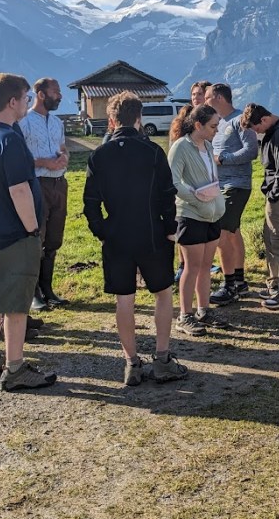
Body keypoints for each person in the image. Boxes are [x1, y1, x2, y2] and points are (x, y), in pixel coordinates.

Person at [83, 92, 188, 385]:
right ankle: (162, 359)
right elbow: (168, 195)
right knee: (163, 294)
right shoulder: (153, 152)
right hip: (152, 233)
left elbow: (90, 203)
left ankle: (131, 362)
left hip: (117, 235)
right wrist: (170, 229)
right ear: (139, 119)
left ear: (111, 120)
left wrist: (102, 231)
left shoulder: (99, 155)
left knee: (124, 300)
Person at [0, 73, 57, 391]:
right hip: (13, 235)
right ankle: (15, 368)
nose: (28, 104)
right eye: (26, 98)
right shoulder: (9, 139)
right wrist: (33, 229)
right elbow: (19, 190)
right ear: (12, 101)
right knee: (16, 305)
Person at [167, 104, 226, 335]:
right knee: (191, 268)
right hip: (191, 214)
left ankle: (203, 310)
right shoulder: (181, 147)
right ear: (198, 125)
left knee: (205, 267)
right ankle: (185, 315)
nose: (216, 130)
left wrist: (215, 201)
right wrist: (196, 198)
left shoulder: (208, 145)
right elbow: (173, 182)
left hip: (212, 214)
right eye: (213, 126)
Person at [240, 103, 279, 310]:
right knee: (271, 239)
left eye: (256, 128)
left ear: (264, 119)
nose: (257, 133)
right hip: (278, 193)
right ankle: (275, 284)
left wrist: (274, 195)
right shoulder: (278, 131)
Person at [17, 77, 70, 311]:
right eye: (55, 92)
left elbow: (63, 147)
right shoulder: (24, 122)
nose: (60, 96)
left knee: (54, 238)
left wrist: (64, 157)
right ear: (41, 94)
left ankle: (48, 288)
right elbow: (19, 157)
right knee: (37, 236)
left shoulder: (57, 122)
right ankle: (33, 293)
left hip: (59, 184)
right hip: (37, 184)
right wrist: (44, 162)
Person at [204, 83, 257, 305]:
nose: (205, 101)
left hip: (236, 185)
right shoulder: (218, 122)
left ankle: (229, 286)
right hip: (219, 185)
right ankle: (239, 282)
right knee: (232, 233)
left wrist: (223, 159)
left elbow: (251, 150)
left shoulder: (239, 119)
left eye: (207, 97)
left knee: (222, 233)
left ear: (219, 97)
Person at [170, 80, 211, 284]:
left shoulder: (212, 120)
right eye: (193, 94)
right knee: (185, 225)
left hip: (208, 185)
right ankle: (183, 265)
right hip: (187, 183)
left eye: (200, 94)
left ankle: (203, 264)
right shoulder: (184, 116)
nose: (196, 98)